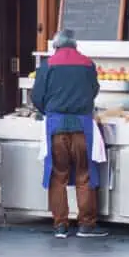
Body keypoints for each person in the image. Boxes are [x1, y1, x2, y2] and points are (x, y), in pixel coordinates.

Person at [31, 29, 107, 239]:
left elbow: (37, 96)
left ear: (56, 45)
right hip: (83, 126)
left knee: (58, 175)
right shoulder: (87, 64)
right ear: (75, 45)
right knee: (85, 175)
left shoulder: (48, 65)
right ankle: (86, 225)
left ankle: (60, 225)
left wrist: (48, 110)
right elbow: (94, 90)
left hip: (56, 126)